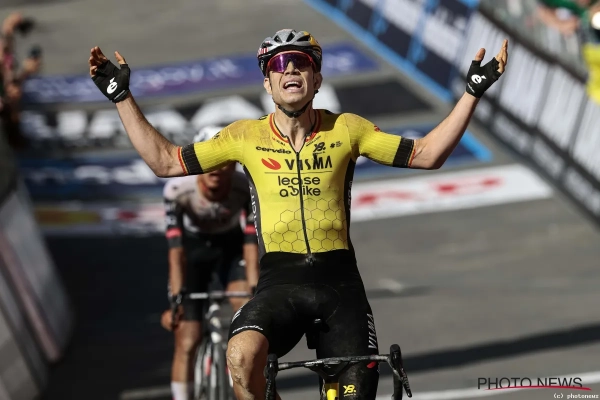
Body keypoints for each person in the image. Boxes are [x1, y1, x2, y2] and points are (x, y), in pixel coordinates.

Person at [88, 29, 508, 400]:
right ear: (268, 82)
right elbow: (165, 161)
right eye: (278, 64)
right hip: (280, 282)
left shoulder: (348, 129)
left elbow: (427, 154)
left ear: (317, 79)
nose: (290, 68)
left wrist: (472, 92)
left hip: (340, 285)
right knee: (240, 356)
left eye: (301, 62)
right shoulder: (243, 136)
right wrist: (121, 97)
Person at [159, 126, 259, 400]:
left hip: (230, 249)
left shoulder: (244, 186)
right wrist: (176, 299)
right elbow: (176, 252)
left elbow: (251, 243)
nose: (215, 168)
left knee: (247, 310)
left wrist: (254, 289)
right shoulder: (178, 189)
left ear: (234, 164)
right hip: (192, 253)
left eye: (222, 160)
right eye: (208, 160)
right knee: (187, 339)